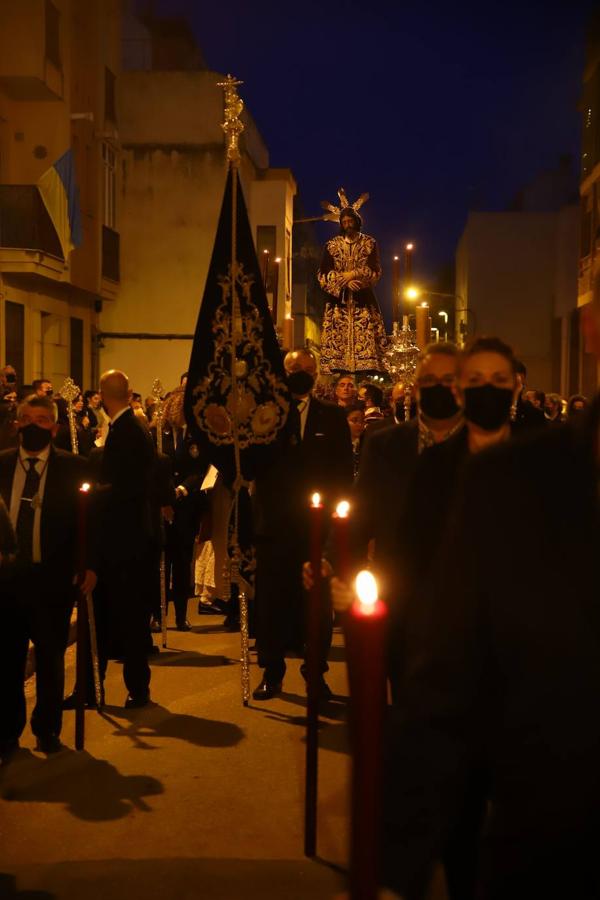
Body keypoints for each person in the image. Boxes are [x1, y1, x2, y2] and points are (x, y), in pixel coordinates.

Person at [381, 304, 600, 898]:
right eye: (470, 382)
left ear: (518, 386)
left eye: (497, 383)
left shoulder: (552, 456)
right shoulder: (465, 472)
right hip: (476, 676)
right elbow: (415, 563)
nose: (483, 394)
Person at [252, 347, 353, 700]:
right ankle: (271, 670)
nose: (302, 373)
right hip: (275, 524)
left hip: (316, 526)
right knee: (271, 601)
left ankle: (315, 672)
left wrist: (338, 523)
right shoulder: (267, 414)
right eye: (296, 368)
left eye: (309, 369)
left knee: (318, 605)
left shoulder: (332, 416)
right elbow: (253, 464)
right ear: (284, 370)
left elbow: (342, 472)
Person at [0, 394, 95, 759]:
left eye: (41, 420)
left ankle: (47, 728)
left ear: (54, 428)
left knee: (51, 658)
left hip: (51, 579)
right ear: (17, 423)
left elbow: (89, 523)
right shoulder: (3, 465)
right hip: (7, 581)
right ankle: (7, 732)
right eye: (27, 418)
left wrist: (89, 565)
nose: (32, 426)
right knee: (7, 659)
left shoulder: (74, 468)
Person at [92, 369, 156, 708]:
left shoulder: (126, 430)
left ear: (103, 395)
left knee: (125, 616)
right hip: (128, 535)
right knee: (119, 615)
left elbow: (123, 485)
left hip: (122, 538)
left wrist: (97, 491)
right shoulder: (131, 426)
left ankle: (135, 687)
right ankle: (101, 685)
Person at [159, 378, 209, 631]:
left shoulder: (195, 434)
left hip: (185, 505)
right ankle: (158, 615)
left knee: (181, 562)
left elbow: (200, 469)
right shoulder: (159, 434)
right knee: (161, 563)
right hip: (162, 506)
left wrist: (183, 489)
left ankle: (180, 615)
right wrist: (164, 493)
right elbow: (156, 466)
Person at [318, 192, 387, 375]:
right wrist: (343, 282)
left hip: (363, 300)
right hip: (338, 303)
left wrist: (354, 274)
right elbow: (323, 274)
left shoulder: (369, 243)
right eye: (344, 222)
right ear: (341, 223)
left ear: (357, 221)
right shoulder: (331, 245)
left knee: (367, 343)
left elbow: (375, 270)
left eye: (351, 221)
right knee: (336, 353)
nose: (348, 225)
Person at [346, 405, 365, 479]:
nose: (359, 424)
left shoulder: (367, 443)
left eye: (362, 421)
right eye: (354, 420)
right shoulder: (337, 445)